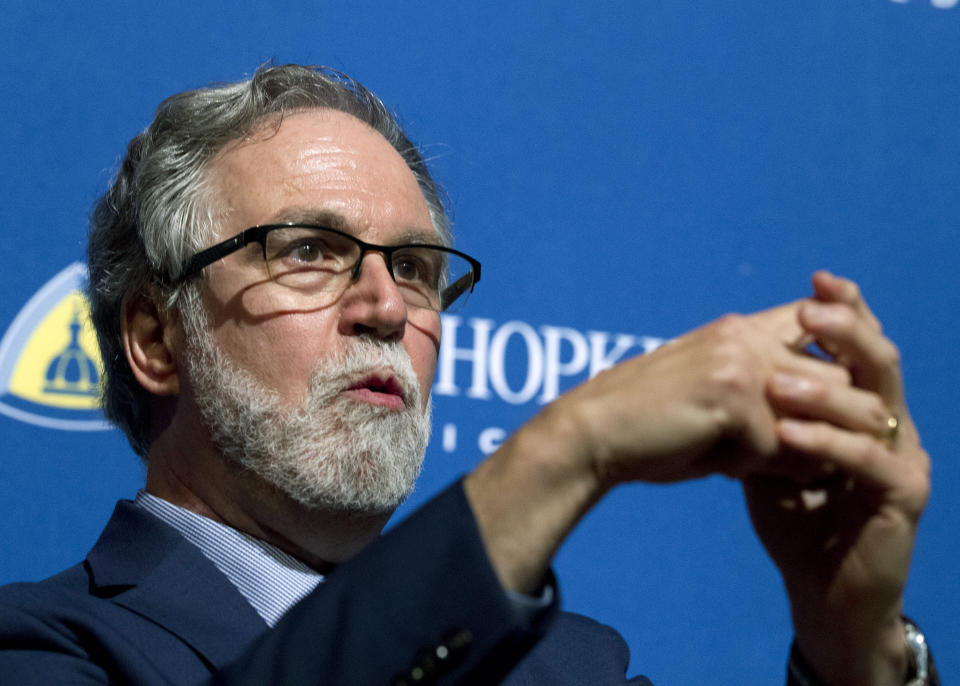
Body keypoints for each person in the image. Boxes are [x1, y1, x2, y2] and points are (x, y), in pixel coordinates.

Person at [0, 63, 938, 685]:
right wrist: (569, 448)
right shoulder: (45, 648)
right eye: (308, 252)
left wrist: (849, 646)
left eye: (414, 268)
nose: (385, 306)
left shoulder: (563, 667)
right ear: (157, 340)